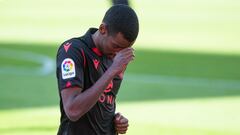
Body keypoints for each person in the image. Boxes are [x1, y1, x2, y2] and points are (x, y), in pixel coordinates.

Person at [56, 4, 139, 135]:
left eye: (124, 49)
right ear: (102, 29)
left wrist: (116, 121)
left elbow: (104, 102)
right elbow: (73, 110)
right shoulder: (73, 51)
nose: (119, 53)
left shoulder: (117, 58)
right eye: (116, 46)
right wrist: (112, 71)